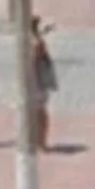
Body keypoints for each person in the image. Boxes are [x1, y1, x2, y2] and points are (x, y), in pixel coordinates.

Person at [29, 18, 58, 152]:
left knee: (39, 112)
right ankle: (38, 141)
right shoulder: (35, 40)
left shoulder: (35, 42)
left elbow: (37, 57)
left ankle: (41, 142)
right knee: (36, 112)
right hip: (32, 81)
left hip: (36, 81)